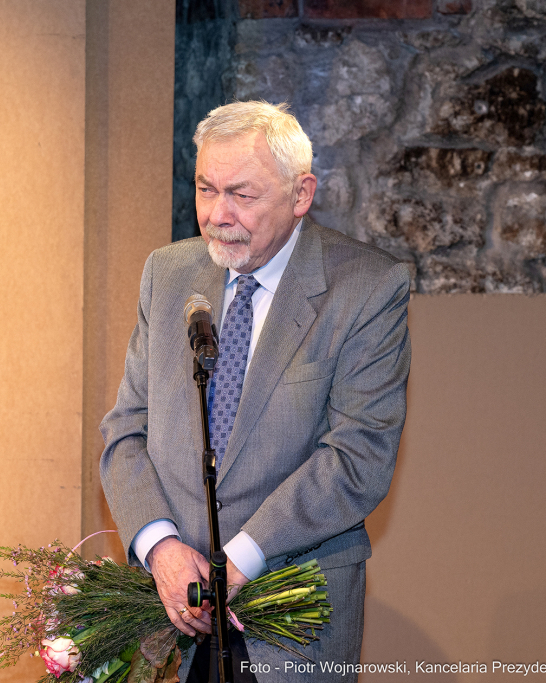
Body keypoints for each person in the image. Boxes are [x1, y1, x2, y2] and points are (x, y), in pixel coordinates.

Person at [100, 101, 411, 682]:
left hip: (293, 622)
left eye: (242, 195)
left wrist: (238, 560)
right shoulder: (167, 275)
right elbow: (126, 429)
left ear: (301, 194)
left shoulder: (367, 288)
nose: (219, 215)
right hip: (171, 620)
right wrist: (161, 548)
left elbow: (358, 455)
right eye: (205, 189)